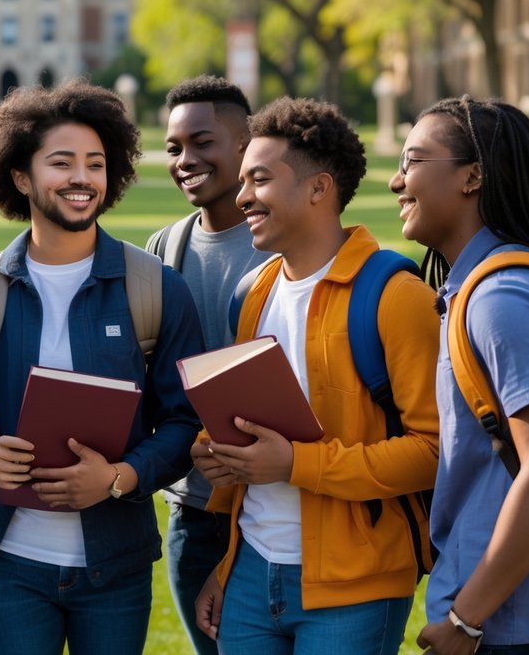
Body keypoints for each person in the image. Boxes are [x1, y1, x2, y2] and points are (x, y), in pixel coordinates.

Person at [0, 80, 204, 655]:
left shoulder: (156, 289)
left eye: (95, 164)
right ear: (21, 177)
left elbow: (185, 423)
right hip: (10, 565)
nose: (82, 178)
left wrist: (117, 477)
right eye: (61, 163)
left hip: (116, 569)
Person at [193, 97, 439, 655]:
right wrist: (216, 451)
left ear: (318, 188)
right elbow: (256, 423)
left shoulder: (396, 298)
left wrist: (295, 463)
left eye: (259, 179)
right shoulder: (251, 293)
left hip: (356, 588)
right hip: (252, 571)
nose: (242, 197)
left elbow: (433, 451)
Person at [390, 96, 529, 654]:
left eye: (412, 161)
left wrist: (466, 620)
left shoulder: (501, 298)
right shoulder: (477, 288)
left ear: (472, 176)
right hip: (503, 604)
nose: (396, 180)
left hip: (503, 619)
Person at [145, 75, 271, 655]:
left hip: (275, 499)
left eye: (203, 143)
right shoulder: (160, 250)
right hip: (194, 510)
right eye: (173, 148)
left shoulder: (280, 242)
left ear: (246, 146)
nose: (185, 160)